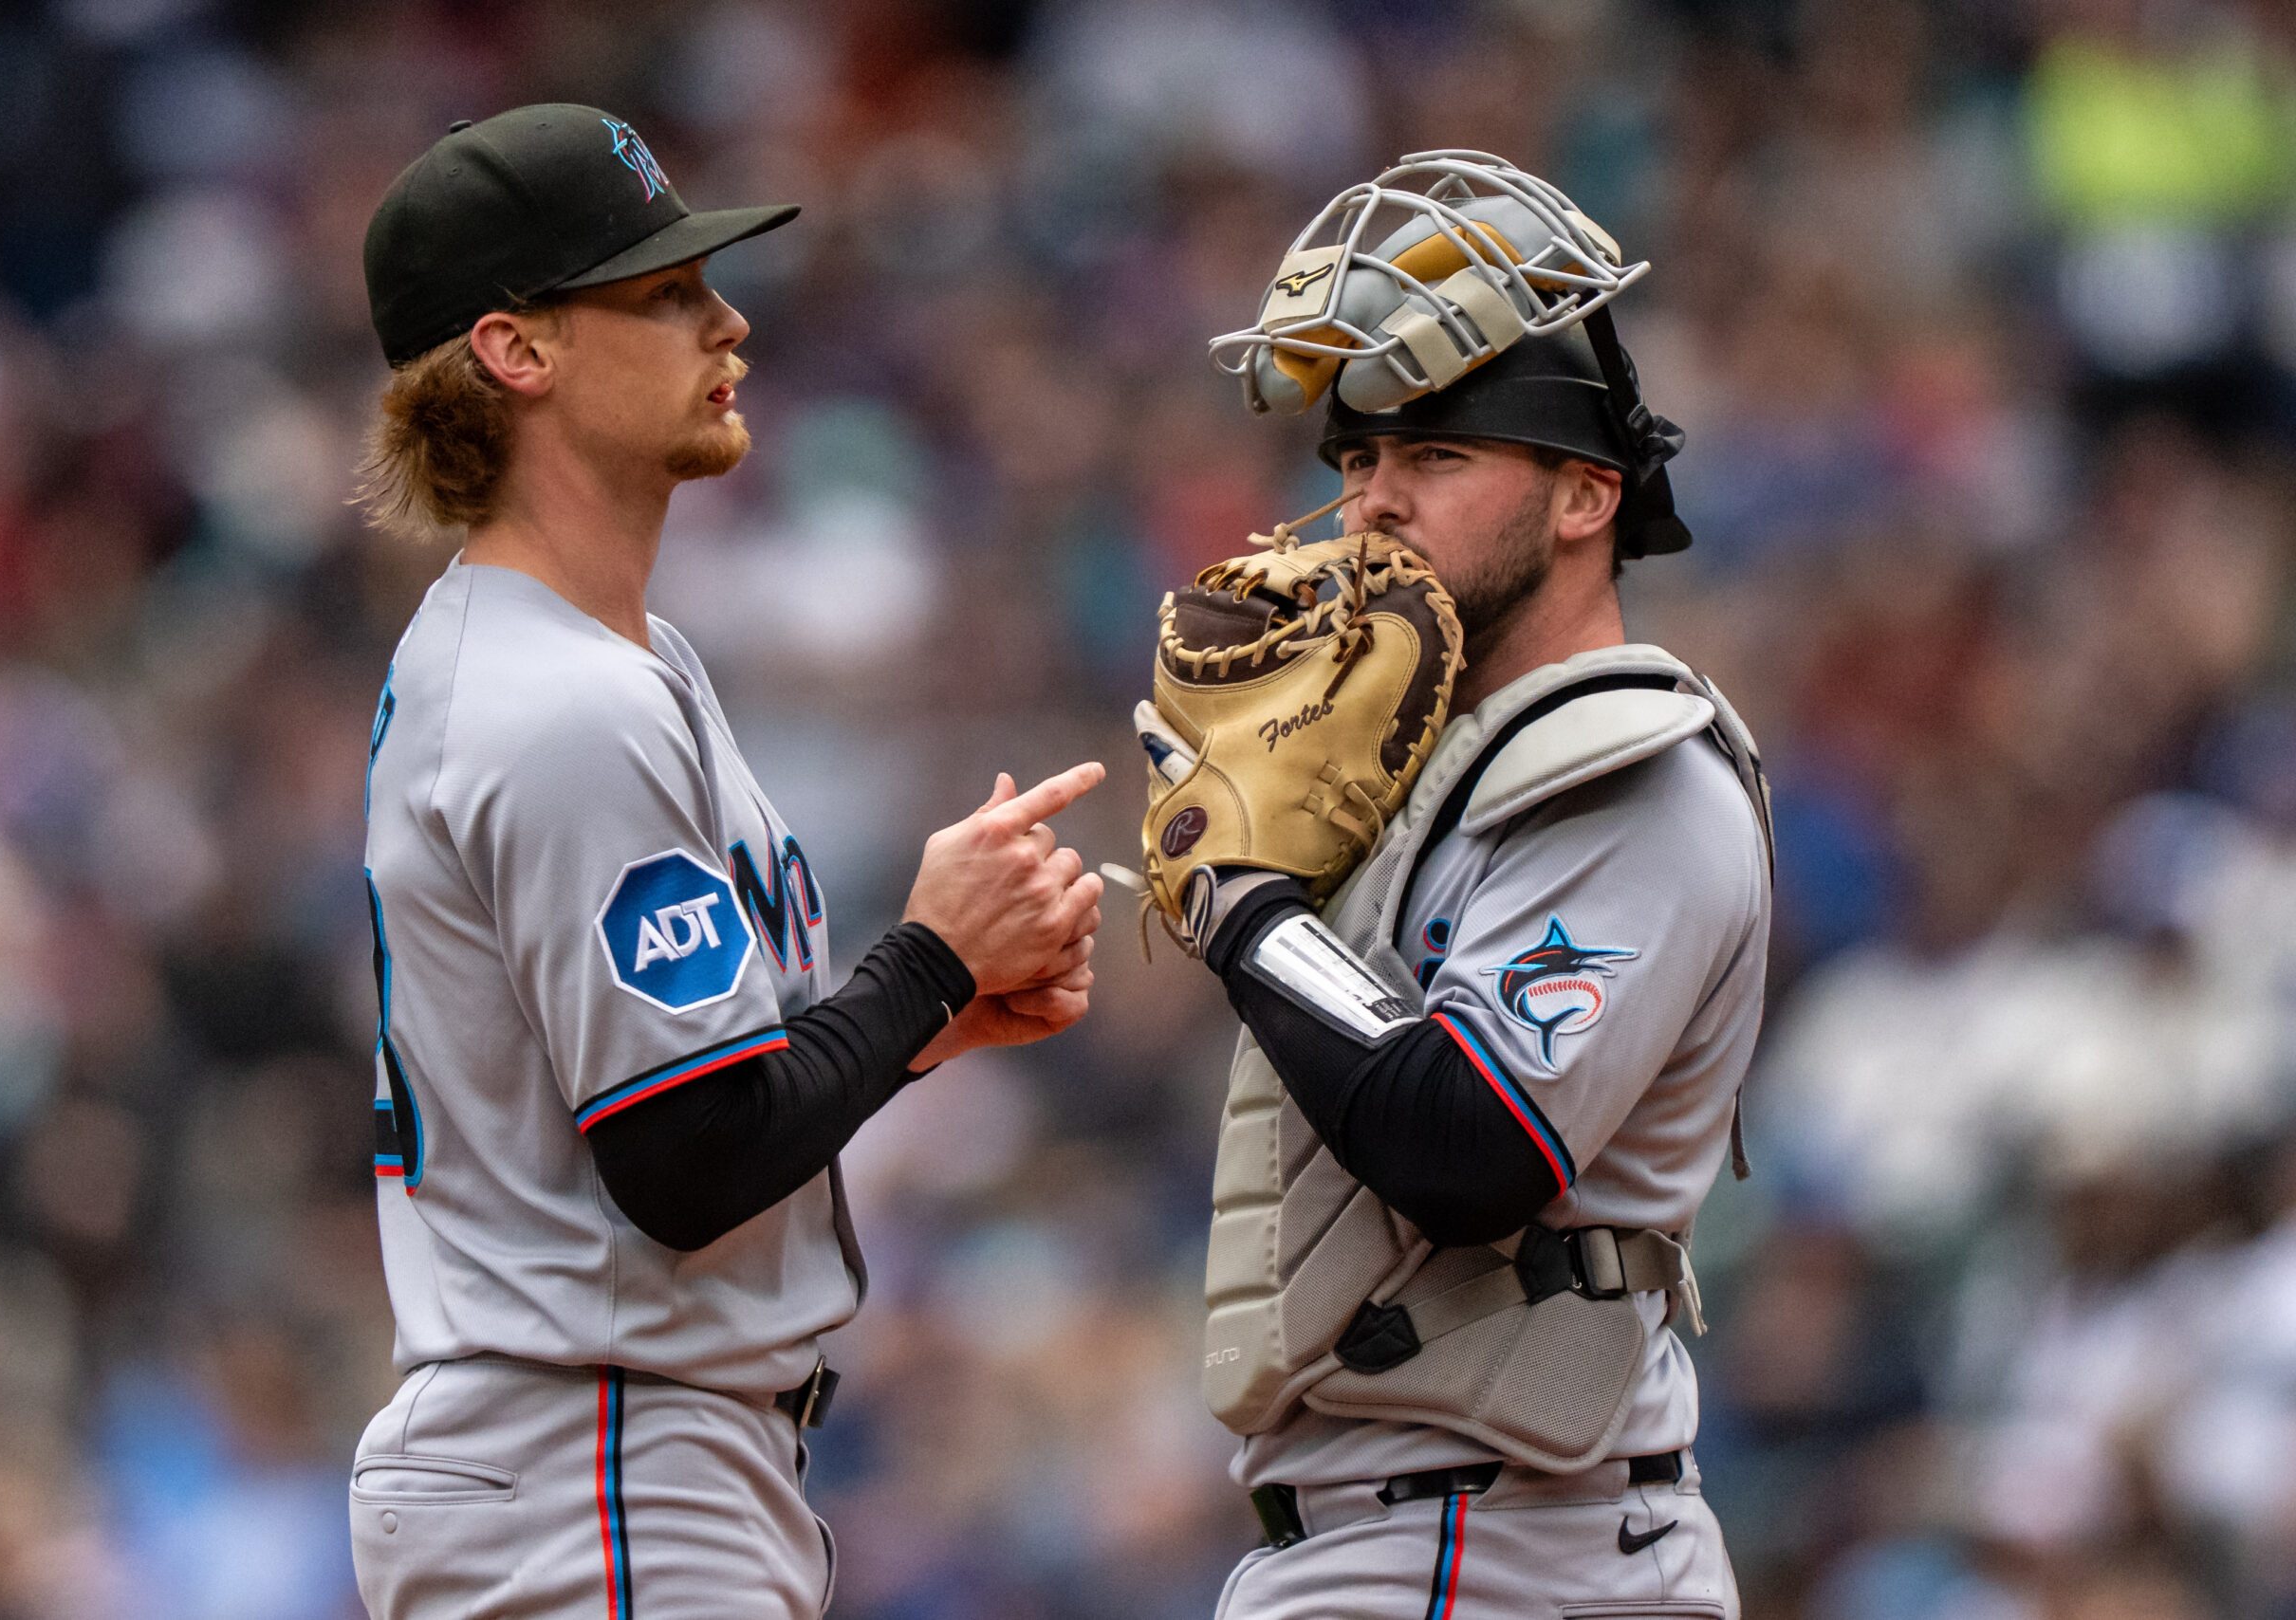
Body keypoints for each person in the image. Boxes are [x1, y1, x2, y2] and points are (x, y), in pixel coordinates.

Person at [345, 104, 1103, 1620]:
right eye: (662, 292)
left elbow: (700, 1111)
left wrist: (919, 1024)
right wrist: (926, 961)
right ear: (517, 351)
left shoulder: (614, 660)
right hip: (598, 1468)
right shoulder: (560, 703)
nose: (726, 318)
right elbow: (682, 1162)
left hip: (616, 1461)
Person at [1155, 155, 1772, 1618]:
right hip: (1410, 1537)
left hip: (1507, 1548)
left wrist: (1246, 907)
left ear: (1582, 493)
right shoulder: (1421, 770)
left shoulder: (1630, 770)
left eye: (1433, 457)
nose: (1372, 503)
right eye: (1357, 462)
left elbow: (1468, 1141)